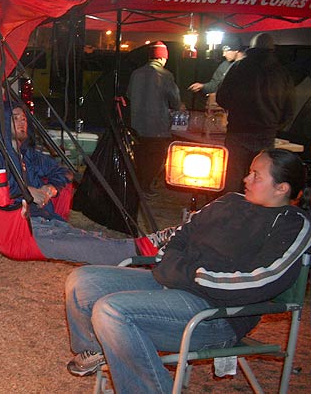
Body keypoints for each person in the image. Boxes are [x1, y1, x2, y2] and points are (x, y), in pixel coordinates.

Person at [64, 148, 311, 394]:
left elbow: (262, 281)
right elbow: (181, 235)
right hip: (175, 284)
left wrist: (188, 274)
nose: (246, 179)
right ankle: (101, 349)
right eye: (249, 173)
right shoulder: (230, 201)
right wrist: (171, 265)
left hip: (217, 314)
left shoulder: (292, 225)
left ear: (282, 188)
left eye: (256, 176)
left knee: (111, 311)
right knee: (83, 281)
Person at [0, 102, 161, 265]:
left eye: (24, 118)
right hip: (25, 228)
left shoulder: (29, 154)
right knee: (83, 246)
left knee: (90, 238)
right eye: (15, 118)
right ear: (2, 123)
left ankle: (153, 244)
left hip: (48, 220)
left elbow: (62, 172)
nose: (22, 122)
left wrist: (51, 189)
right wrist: (27, 191)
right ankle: (146, 248)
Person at [217, 33, 295, 192]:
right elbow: (289, 109)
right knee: (259, 178)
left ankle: (230, 210)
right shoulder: (282, 73)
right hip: (265, 135)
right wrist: (273, 126)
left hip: (238, 132)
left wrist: (235, 111)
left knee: (232, 177)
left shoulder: (239, 67)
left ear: (251, 48)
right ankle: (254, 212)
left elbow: (222, 97)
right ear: (273, 49)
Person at [126, 41, 182, 198]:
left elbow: (129, 95)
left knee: (140, 156)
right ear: (163, 58)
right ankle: (145, 187)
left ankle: (137, 186)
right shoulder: (166, 75)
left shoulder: (136, 73)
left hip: (137, 125)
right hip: (157, 126)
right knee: (155, 158)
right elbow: (175, 102)